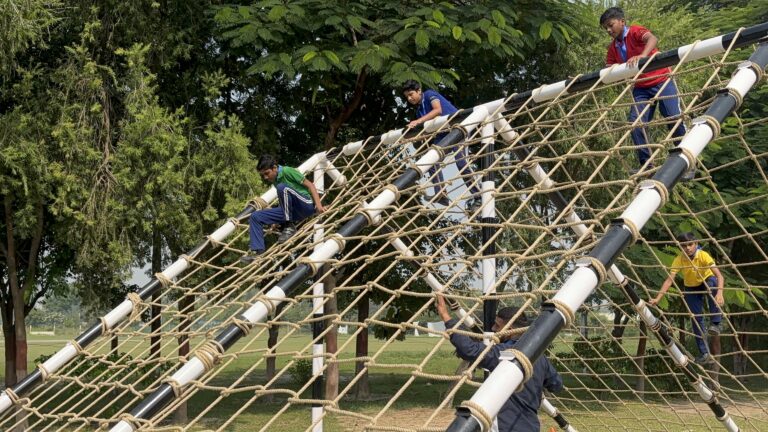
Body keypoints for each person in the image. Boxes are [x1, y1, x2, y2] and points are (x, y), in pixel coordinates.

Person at [435, 294, 563, 431]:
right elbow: (556, 385)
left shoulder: (504, 353)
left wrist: (445, 316)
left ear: (510, 329)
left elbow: (469, 349)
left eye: (497, 325)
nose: (493, 328)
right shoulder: (540, 357)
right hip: (531, 427)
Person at [600, 7, 687, 174]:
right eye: (606, 28)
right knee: (636, 125)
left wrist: (643, 55)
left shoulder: (635, 31)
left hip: (661, 80)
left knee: (673, 117)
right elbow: (609, 68)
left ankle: (684, 159)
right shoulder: (613, 48)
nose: (609, 30)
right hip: (640, 87)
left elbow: (652, 38)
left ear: (622, 22)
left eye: (611, 25)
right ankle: (647, 166)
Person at [402, 80, 480, 212]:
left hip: (458, 128)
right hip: (443, 134)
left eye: (411, 94)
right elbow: (426, 132)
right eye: (407, 97)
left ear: (419, 91)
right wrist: (407, 138)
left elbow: (438, 110)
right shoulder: (420, 111)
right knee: (431, 160)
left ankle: (478, 196)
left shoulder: (429, 94)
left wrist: (418, 122)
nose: (409, 98)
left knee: (461, 163)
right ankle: (441, 193)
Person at [649, 232, 725, 365]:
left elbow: (720, 276)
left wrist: (720, 293)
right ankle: (704, 353)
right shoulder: (679, 259)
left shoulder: (703, 255)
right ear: (680, 247)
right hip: (691, 287)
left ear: (696, 244)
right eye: (684, 246)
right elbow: (669, 280)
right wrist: (658, 298)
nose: (688, 248)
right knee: (695, 318)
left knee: (713, 283)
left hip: (706, 281)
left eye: (690, 244)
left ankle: (716, 323)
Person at [240, 155, 325, 264]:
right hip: (293, 212)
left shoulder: (287, 171)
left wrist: (318, 206)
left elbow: (310, 185)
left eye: (267, 173)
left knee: (282, 188)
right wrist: (276, 220)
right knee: (255, 216)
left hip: (305, 204)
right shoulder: (275, 180)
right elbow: (284, 200)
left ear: (275, 168)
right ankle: (258, 253)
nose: (265, 177)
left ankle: (289, 226)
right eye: (263, 175)